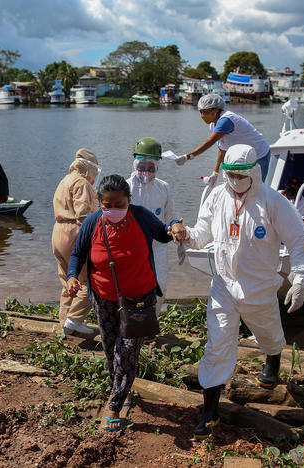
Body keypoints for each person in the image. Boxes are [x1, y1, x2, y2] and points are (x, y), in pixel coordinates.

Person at [178, 144, 304, 440]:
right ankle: (210, 412)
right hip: (224, 287)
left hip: (260, 288)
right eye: (231, 175)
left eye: (241, 176)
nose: (235, 181)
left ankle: (273, 358)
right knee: (217, 347)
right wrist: (186, 235)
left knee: (269, 335)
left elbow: (298, 241)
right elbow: (202, 234)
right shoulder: (217, 197)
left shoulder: (273, 202)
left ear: (254, 172)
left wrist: (300, 279)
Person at [66, 175, 185, 431]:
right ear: (99, 203)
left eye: (119, 204)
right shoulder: (92, 222)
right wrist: (72, 277)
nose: (113, 210)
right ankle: (122, 387)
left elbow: (163, 234)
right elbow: (77, 253)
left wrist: (174, 225)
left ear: (128, 201)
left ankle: (114, 404)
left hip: (140, 299)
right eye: (107, 205)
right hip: (103, 298)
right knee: (111, 348)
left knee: (127, 350)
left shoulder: (140, 216)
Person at [52, 148, 101, 337]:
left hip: (58, 231)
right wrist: (90, 239)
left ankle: (64, 323)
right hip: (74, 231)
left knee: (67, 279)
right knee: (90, 277)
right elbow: (83, 214)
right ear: (90, 169)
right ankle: (76, 319)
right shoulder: (82, 183)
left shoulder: (64, 180)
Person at [127, 137, 176, 319]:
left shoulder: (164, 188)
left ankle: (151, 324)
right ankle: (131, 323)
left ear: (157, 167)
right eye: (142, 167)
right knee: (132, 286)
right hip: (131, 247)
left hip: (158, 246)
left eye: (151, 168)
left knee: (159, 286)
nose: (146, 171)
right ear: (135, 165)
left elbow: (170, 216)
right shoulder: (126, 187)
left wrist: (177, 228)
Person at [179, 94, 271, 184]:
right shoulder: (213, 124)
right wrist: (215, 173)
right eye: (201, 112)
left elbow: (209, 142)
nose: (202, 116)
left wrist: (188, 156)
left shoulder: (226, 120)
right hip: (243, 155)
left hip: (259, 154)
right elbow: (222, 150)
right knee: (239, 185)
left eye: (205, 112)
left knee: (255, 187)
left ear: (216, 109)